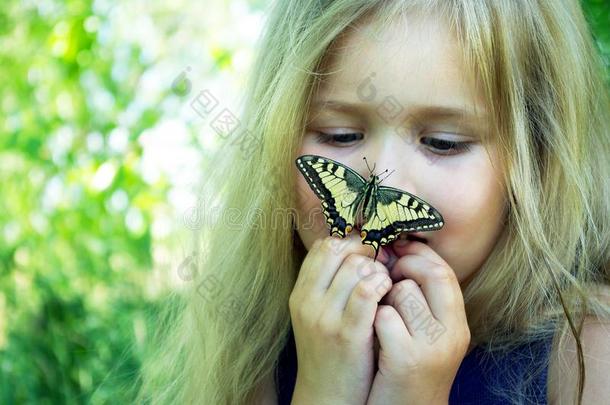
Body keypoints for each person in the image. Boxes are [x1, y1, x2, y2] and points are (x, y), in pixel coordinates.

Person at [136, 1, 610, 404]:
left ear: (538, 161)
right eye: (339, 135)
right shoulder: (262, 349)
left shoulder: (586, 351)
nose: (386, 175)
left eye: (443, 142)